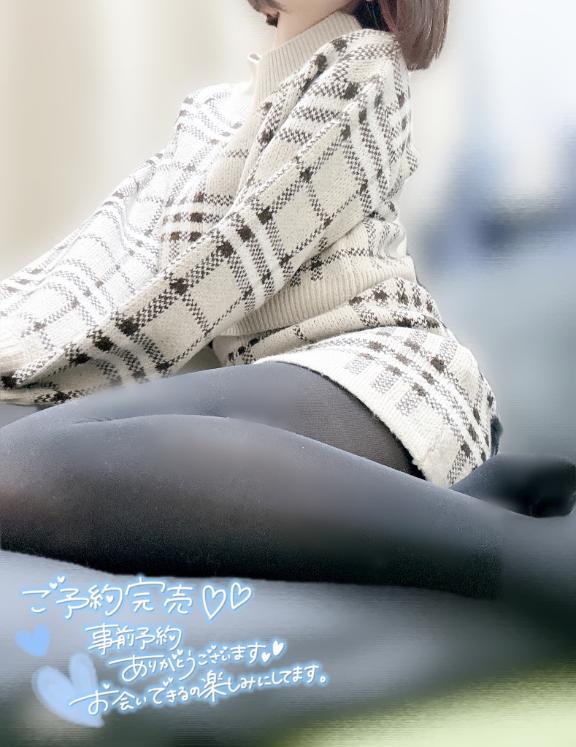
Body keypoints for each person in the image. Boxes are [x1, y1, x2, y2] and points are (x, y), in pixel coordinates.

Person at [1, 1, 575, 625]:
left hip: (377, 370)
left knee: (23, 464)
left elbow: (221, 268)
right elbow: (101, 256)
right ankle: (467, 508)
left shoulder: (362, 71)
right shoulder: (212, 113)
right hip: (269, 375)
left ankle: (530, 559)